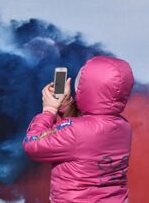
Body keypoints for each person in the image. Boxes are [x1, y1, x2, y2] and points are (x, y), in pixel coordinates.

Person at [23, 56, 134, 203]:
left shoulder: (76, 131)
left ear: (88, 88)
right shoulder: (124, 127)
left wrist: (49, 110)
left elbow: (33, 144)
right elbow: (85, 134)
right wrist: (66, 105)